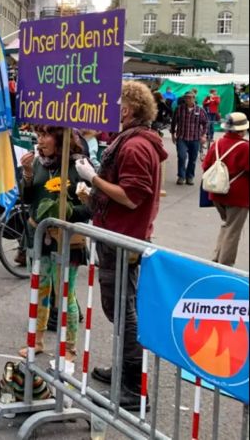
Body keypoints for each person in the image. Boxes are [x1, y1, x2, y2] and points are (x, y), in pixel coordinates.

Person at [75, 81, 167, 411]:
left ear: (127, 110)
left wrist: (93, 180)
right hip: (120, 234)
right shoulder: (133, 142)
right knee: (118, 306)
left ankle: (132, 384)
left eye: (116, 105)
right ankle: (124, 370)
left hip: (124, 237)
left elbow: (131, 196)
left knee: (122, 310)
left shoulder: (135, 146)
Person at [18, 126, 91, 362]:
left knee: (65, 295)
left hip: (68, 241)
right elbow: (27, 199)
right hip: (40, 238)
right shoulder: (39, 163)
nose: (40, 141)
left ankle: (70, 348)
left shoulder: (78, 165)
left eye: (45, 136)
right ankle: (36, 341)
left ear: (61, 138)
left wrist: (67, 212)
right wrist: (27, 174)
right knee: (40, 291)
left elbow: (90, 206)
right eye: (38, 136)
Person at [201, 112, 249, 267]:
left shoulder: (218, 143)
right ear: (242, 130)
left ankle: (217, 257)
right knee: (233, 231)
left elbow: (205, 166)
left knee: (226, 224)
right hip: (237, 196)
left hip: (217, 193)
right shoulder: (245, 147)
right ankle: (225, 264)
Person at [171, 91, 208, 185]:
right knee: (182, 157)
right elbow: (174, 122)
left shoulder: (200, 110)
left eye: (190, 97)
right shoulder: (179, 109)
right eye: (186, 97)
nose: (188, 99)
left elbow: (205, 123)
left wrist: (203, 135)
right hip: (181, 137)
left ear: (194, 98)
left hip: (195, 138)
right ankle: (181, 176)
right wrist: (172, 135)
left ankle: (190, 177)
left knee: (192, 159)